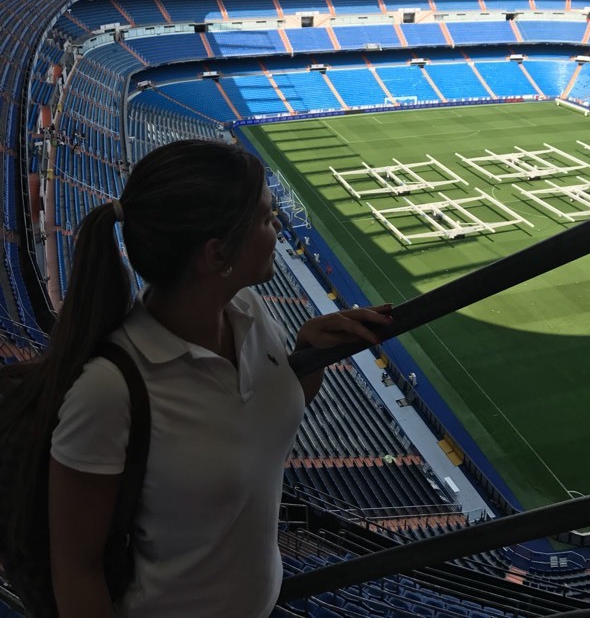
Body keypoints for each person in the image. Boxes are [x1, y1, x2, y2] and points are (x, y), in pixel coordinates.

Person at [43, 138, 392, 618]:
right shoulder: (109, 391)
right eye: (268, 219)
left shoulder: (247, 310)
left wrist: (305, 358)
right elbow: (75, 571)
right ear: (216, 254)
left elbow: (255, 422)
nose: (279, 227)